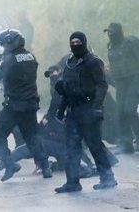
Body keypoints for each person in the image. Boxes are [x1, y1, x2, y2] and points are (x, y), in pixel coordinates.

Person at [0, 64, 118, 178]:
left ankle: (97, 167)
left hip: (64, 142)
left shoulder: (65, 91)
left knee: (33, 147)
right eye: (49, 75)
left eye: (54, 73)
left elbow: (57, 116)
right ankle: (95, 167)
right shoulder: (58, 93)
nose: (52, 77)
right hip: (63, 143)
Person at [54, 31, 117, 193]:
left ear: (84, 42)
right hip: (73, 110)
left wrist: (97, 106)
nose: (75, 45)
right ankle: (72, 182)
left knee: (94, 144)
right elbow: (67, 89)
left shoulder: (93, 62)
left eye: (78, 42)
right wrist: (61, 109)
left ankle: (108, 177)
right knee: (71, 147)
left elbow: (102, 85)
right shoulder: (70, 63)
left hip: (89, 108)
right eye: (72, 42)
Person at [0, 29, 52, 182]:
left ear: (11, 42)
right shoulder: (30, 56)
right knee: (32, 137)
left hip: (15, 104)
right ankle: (45, 167)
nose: (3, 47)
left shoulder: (9, 59)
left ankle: (9, 163)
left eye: (4, 44)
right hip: (30, 103)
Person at [104, 22, 139, 153]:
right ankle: (127, 145)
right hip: (121, 83)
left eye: (112, 32)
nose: (110, 34)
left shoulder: (130, 42)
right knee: (120, 113)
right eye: (108, 32)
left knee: (129, 110)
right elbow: (114, 68)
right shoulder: (110, 47)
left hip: (134, 80)